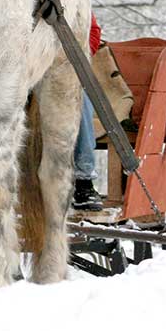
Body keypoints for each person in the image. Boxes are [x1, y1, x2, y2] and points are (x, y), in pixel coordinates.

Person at [72, 14, 104, 211]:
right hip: (24, 68)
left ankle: (83, 181)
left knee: (78, 97)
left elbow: (92, 31)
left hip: (63, 66)